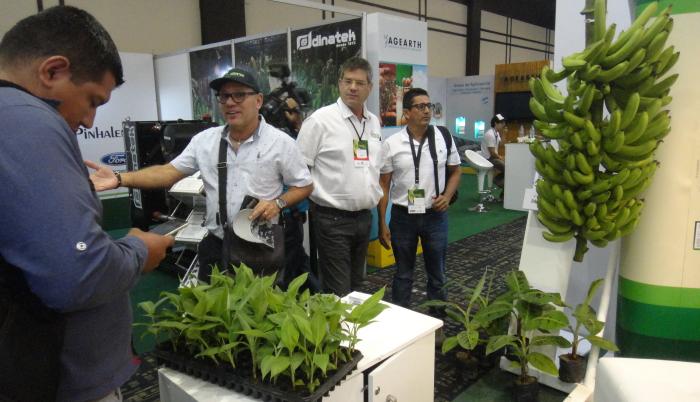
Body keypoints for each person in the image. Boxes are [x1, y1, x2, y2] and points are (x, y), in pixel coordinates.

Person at [0, 6, 174, 402]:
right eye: (92, 100)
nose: (90, 121)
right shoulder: (29, 121)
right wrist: (138, 251)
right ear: (52, 71)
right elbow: (78, 274)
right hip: (56, 379)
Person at [88, 68, 313, 281]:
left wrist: (278, 203)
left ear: (258, 100)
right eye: (224, 96)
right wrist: (119, 179)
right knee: (212, 305)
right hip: (216, 243)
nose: (230, 102)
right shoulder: (205, 141)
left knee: (261, 306)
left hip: (260, 245)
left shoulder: (281, 143)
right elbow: (168, 172)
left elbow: (304, 185)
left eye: (239, 95)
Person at [296, 56, 383, 296]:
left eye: (359, 83)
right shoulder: (320, 121)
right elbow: (299, 170)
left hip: (364, 218)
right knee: (339, 290)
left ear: (369, 87)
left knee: (357, 285)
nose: (353, 87)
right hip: (331, 219)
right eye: (348, 81)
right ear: (339, 83)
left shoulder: (373, 122)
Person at [377, 88, 461, 317]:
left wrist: (447, 196)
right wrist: (382, 222)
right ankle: (402, 322)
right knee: (403, 274)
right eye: (420, 106)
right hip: (403, 217)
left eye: (429, 106)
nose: (427, 111)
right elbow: (383, 185)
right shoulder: (392, 144)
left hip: (435, 215)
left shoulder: (443, 137)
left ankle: (438, 322)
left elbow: (456, 171)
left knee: (438, 274)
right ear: (406, 113)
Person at [480, 113, 507, 189]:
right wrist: (501, 158)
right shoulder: (490, 134)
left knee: (509, 166)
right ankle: (498, 181)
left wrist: (504, 133)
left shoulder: (496, 133)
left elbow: (501, 144)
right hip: (489, 159)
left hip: (493, 157)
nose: (503, 125)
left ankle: (499, 181)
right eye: (501, 123)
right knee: (508, 168)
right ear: (495, 123)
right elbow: (492, 152)